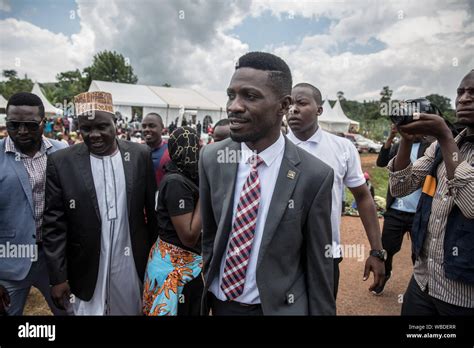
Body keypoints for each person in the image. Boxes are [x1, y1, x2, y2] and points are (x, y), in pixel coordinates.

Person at [199, 52, 335, 315]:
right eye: (231, 95)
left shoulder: (315, 176)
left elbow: (319, 266)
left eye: (250, 96)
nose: (234, 106)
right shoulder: (212, 158)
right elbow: (210, 235)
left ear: (283, 106)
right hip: (220, 304)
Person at [42, 91, 158, 315]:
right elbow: (54, 224)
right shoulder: (61, 162)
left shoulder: (139, 155)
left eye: (102, 127)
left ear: (115, 123)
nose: (94, 135)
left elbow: (153, 216)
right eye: (86, 128)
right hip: (84, 267)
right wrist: (58, 277)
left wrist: (155, 263)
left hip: (131, 260)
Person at [287, 83, 385, 298]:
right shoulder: (273, 148)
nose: (293, 109)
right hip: (280, 253)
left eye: (301, 103)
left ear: (319, 110)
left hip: (325, 252)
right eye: (289, 104)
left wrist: (377, 251)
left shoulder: (342, 148)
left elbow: (363, 198)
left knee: (323, 308)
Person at [389, 70, 474, 315]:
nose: (464, 99)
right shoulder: (439, 146)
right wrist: (406, 139)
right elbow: (400, 187)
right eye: (461, 92)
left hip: (464, 293)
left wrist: (446, 136)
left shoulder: (445, 141)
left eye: (473, 93)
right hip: (424, 280)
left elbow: (471, 206)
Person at [0, 92, 69, 316]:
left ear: (44, 123)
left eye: (29, 125)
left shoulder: (62, 152)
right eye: (13, 124)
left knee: (69, 312)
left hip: (54, 259)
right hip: (8, 262)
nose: (21, 131)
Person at [143, 127, 203, 316]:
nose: (192, 154)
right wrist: (206, 195)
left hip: (183, 267)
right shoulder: (176, 182)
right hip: (176, 268)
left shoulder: (187, 177)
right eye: (190, 149)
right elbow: (189, 236)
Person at [374, 124, 432, 295]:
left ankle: (421, 288)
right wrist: (391, 138)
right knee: (387, 249)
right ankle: (383, 277)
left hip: (420, 213)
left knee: (420, 252)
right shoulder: (399, 146)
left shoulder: (430, 147)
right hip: (396, 211)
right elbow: (381, 162)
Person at [141, 112, 171, 187]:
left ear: (162, 128)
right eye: (144, 126)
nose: (146, 129)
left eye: (151, 126)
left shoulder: (170, 152)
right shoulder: (136, 151)